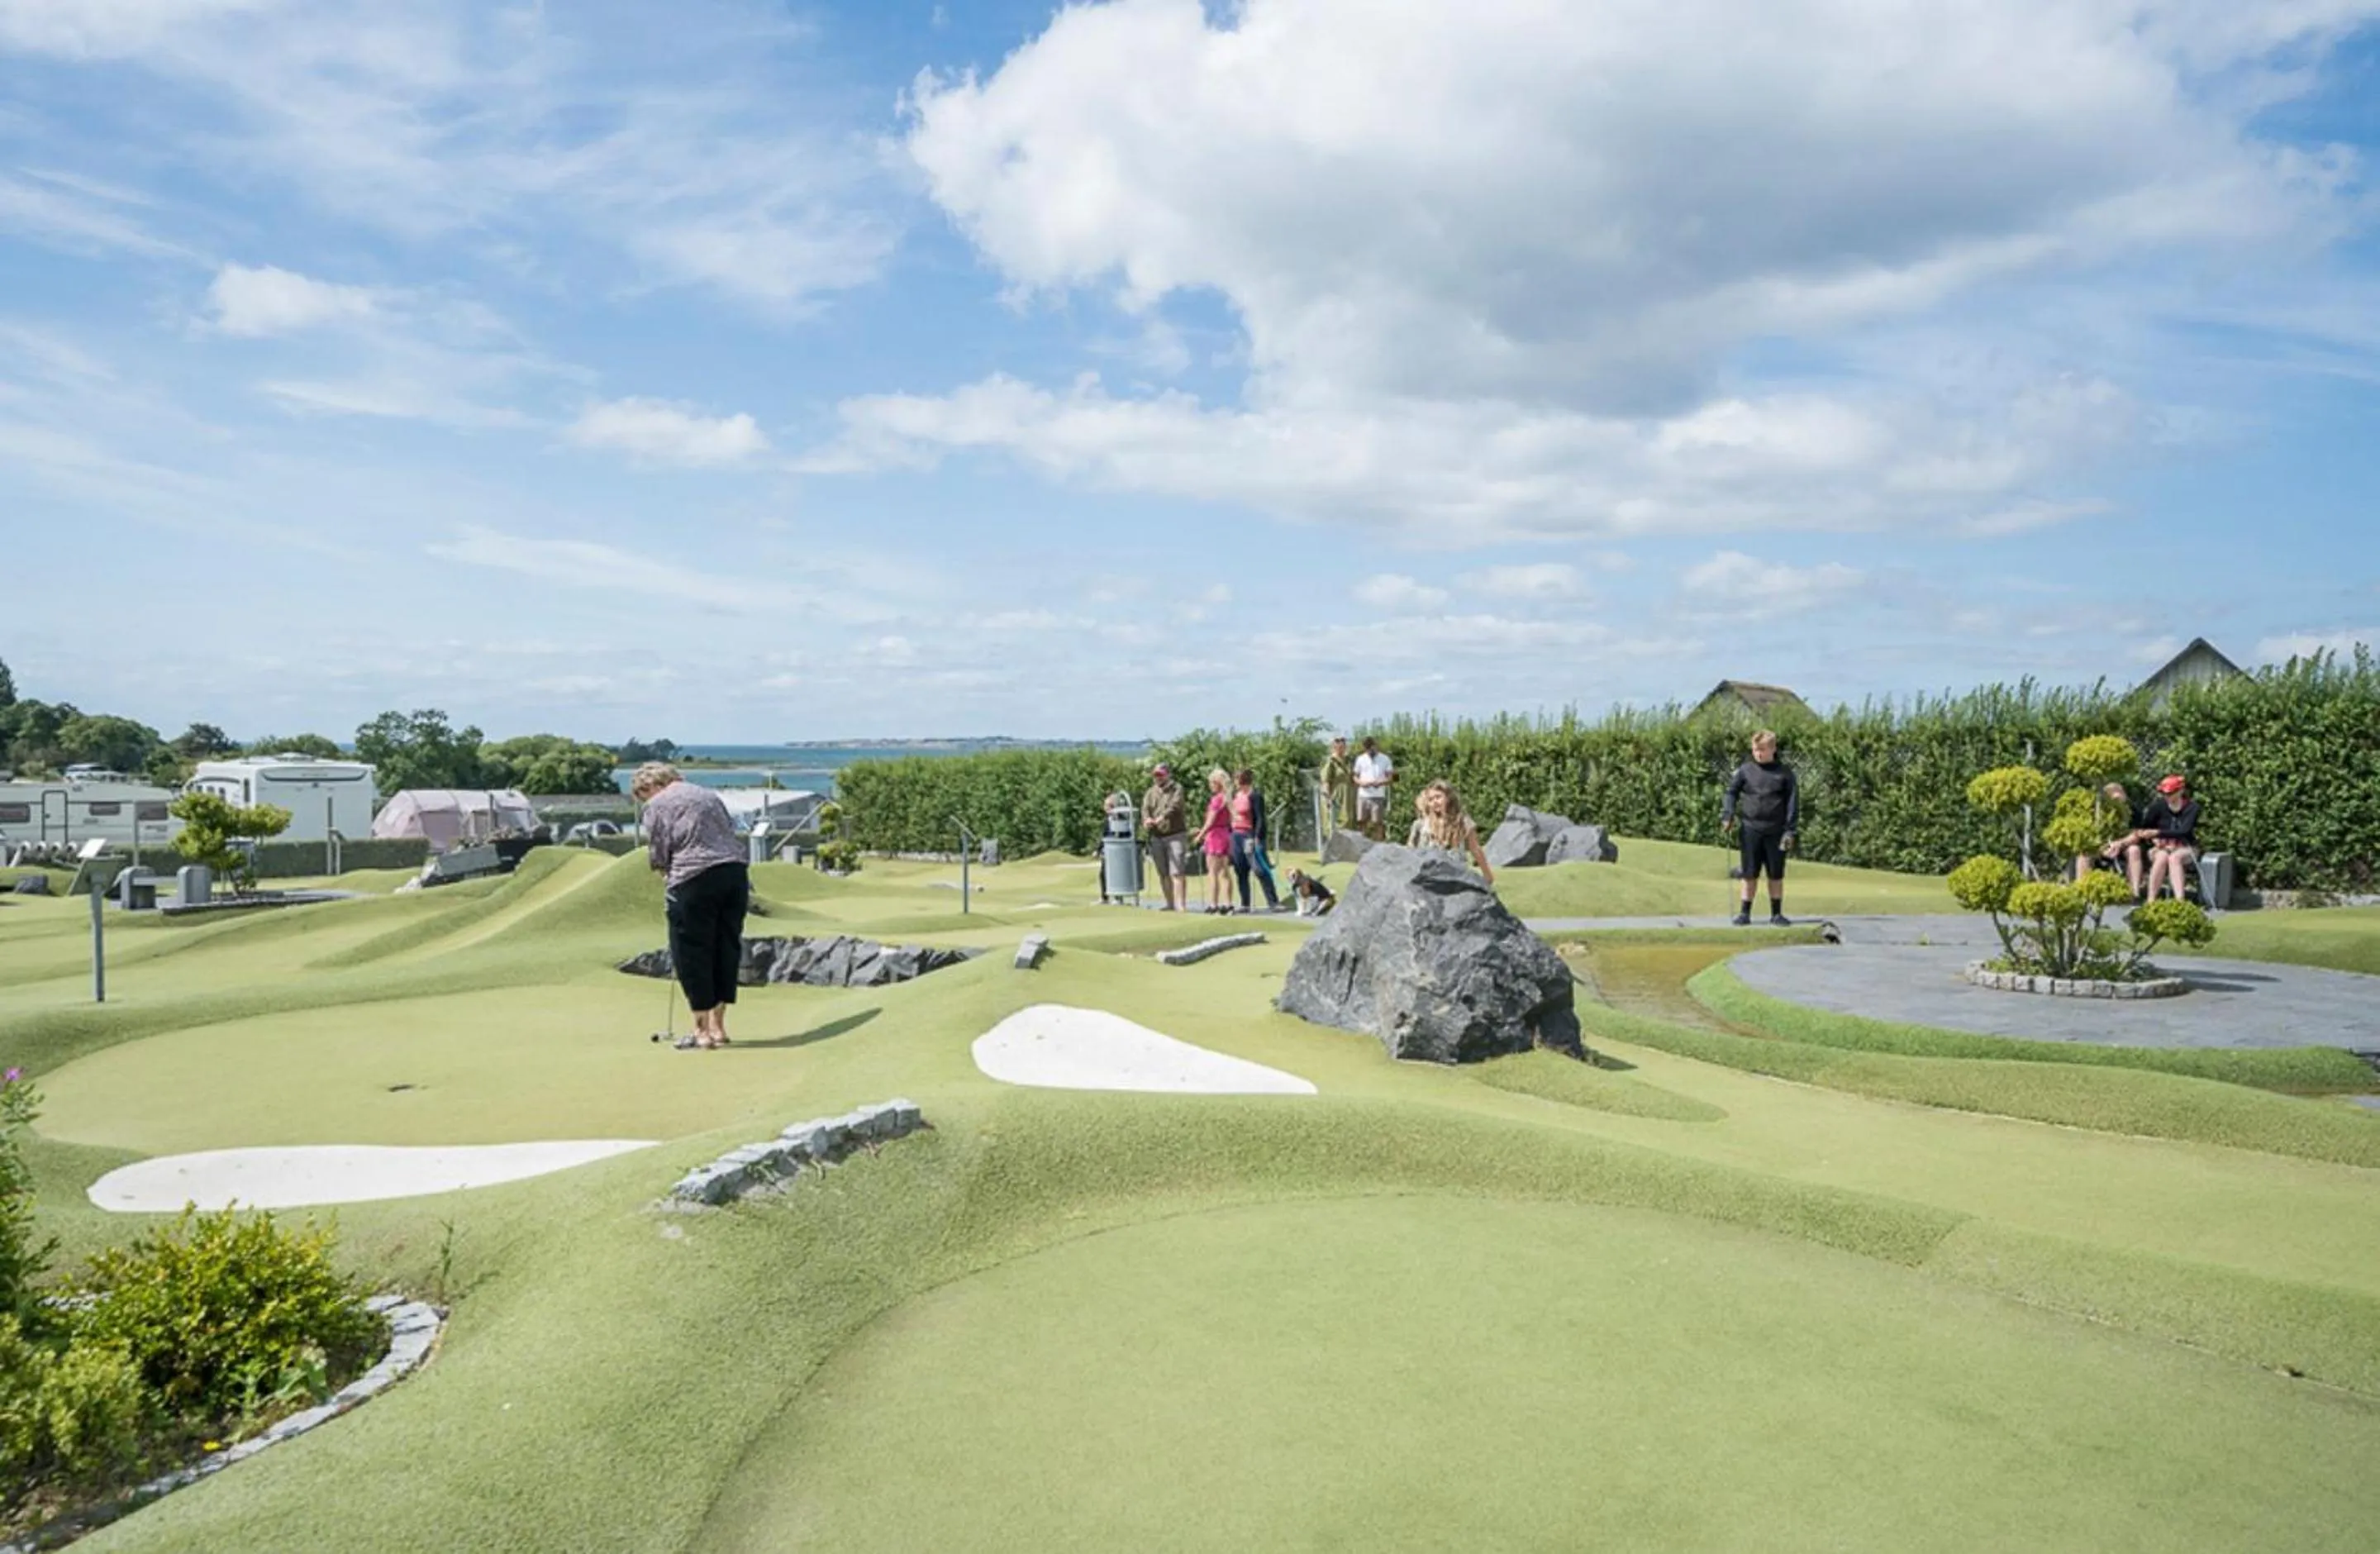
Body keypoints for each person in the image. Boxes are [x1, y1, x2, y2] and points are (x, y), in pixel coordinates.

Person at [633, 761, 748, 1050]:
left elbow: (659, 849)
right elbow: (728, 832)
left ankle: (701, 1031)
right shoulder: (708, 795)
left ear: (651, 785)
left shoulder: (657, 803)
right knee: (725, 947)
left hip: (693, 877)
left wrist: (665, 875)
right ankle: (719, 1027)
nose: (645, 800)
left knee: (691, 952)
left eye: (643, 795)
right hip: (734, 874)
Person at [1721, 730, 1797, 927]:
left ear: (1773, 749)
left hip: (1777, 831)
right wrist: (1728, 814)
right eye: (1755, 750)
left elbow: (1792, 803)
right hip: (1750, 829)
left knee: (1776, 873)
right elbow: (1731, 793)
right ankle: (1744, 913)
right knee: (1749, 873)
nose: (1758, 753)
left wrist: (1790, 830)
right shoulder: (1745, 770)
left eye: (1762, 750)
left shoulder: (1785, 773)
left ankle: (1776, 914)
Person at [1406, 778, 1494, 884]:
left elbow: (1475, 849)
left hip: (1456, 875)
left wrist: (1487, 875)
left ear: (1448, 797)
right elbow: (1412, 852)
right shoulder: (1423, 825)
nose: (1435, 802)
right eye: (1430, 799)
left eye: (1438, 797)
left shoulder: (1463, 821)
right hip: (1430, 876)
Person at [2137, 774, 2202, 903]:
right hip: (2161, 847)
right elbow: (2145, 828)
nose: (2167, 796)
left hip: (2186, 846)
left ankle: (2180, 901)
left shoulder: (2192, 808)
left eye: (2171, 793)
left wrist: (2157, 833)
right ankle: (2151, 901)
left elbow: (2184, 831)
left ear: (2181, 791)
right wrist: (2154, 839)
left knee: (2175, 858)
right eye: (2164, 793)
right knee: (2161, 857)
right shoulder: (2157, 807)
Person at [1230, 768, 1283, 913]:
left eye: (1237, 779)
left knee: (1260, 870)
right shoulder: (1235, 795)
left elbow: (1260, 818)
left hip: (1249, 835)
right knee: (1240, 870)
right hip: (1236, 835)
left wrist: (1257, 837)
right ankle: (1245, 903)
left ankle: (1273, 902)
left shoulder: (1255, 796)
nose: (1235, 782)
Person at [1140, 763, 1189, 911]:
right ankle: (1170, 904)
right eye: (1156, 775)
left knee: (1177, 871)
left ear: (1168, 775)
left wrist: (1162, 817)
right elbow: (1145, 809)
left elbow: (1175, 806)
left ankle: (1181, 905)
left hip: (1176, 835)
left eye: (1161, 775)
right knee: (1163, 873)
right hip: (1157, 836)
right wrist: (1147, 820)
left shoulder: (1177, 788)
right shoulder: (1150, 792)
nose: (1158, 778)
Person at [2091, 781, 2150, 895]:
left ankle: (2134, 892)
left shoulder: (2134, 811)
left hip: (2124, 844)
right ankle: (2082, 890)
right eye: (2115, 800)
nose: (2119, 804)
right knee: (2084, 852)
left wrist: (2120, 844)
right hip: (2103, 844)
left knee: (2134, 850)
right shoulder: (2099, 812)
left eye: (2121, 799)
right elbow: (2093, 834)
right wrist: (2103, 847)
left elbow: (2136, 835)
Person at [1198, 768, 1235, 914]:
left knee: (1213, 872)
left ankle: (1213, 904)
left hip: (1215, 836)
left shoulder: (1217, 799)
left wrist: (1200, 835)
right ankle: (1228, 903)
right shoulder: (1227, 798)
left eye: (1211, 783)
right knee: (1225, 872)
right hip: (1225, 834)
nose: (1210, 785)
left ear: (1217, 783)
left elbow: (1210, 821)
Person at [1352, 736, 1395, 841]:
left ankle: (1379, 845)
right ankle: (1361, 844)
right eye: (1367, 749)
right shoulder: (1360, 759)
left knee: (1377, 822)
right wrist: (1362, 783)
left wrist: (1380, 782)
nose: (1370, 751)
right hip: (1363, 795)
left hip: (1378, 796)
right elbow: (1355, 777)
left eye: (1371, 748)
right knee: (1361, 821)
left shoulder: (1385, 759)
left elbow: (1391, 778)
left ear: (1375, 746)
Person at [1320, 736, 1354, 837]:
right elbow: (1325, 781)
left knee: (1348, 821)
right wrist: (1328, 798)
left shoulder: (1348, 761)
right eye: (1338, 744)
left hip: (1348, 796)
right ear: (1334, 747)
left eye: (1343, 745)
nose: (1341, 747)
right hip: (1336, 796)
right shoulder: (1330, 762)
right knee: (1336, 823)